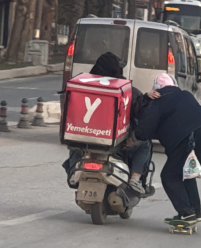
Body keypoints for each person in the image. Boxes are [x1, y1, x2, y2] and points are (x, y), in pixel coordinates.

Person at [63, 52, 157, 195]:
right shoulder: (127, 90)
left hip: (86, 140)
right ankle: (135, 180)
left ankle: (72, 172)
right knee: (145, 144)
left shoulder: (84, 86)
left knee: (76, 145)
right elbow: (141, 113)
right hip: (116, 144)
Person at [132, 73, 201, 224]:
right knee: (186, 172)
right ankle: (194, 212)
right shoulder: (185, 95)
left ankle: (187, 213)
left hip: (190, 139)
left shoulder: (158, 102)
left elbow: (143, 132)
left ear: (156, 90)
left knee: (170, 176)